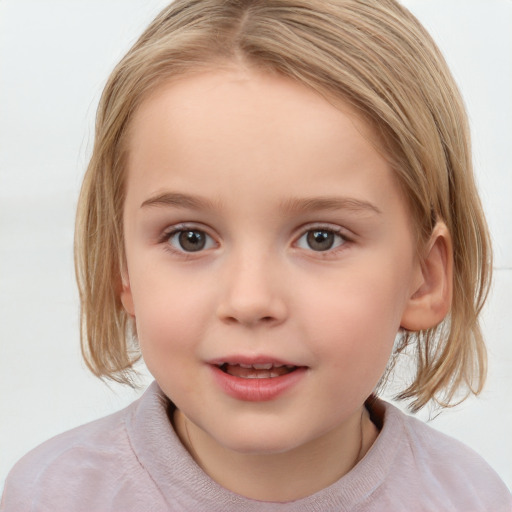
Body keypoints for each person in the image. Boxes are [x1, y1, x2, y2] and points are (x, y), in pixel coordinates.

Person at [1, 0, 511, 510]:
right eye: (190, 238)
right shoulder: (50, 496)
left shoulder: (470, 499)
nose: (249, 301)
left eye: (321, 238)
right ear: (123, 268)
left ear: (423, 280)